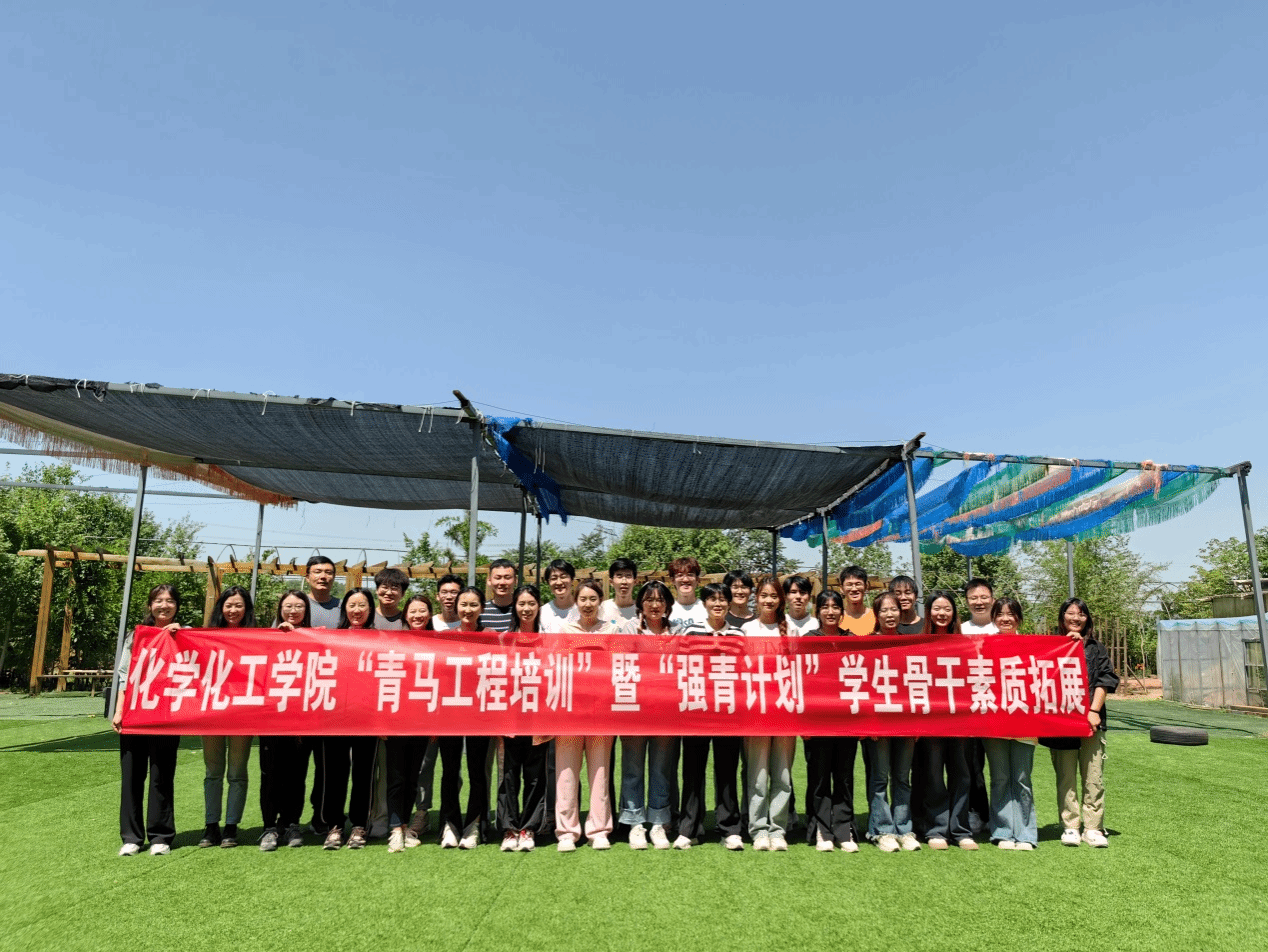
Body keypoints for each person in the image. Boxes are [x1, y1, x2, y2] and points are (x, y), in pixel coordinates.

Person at [113, 584, 184, 856]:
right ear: (150, 605)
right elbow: (124, 675)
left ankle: (160, 836)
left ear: (177, 606)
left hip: (167, 716)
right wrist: (119, 710)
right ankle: (131, 837)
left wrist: (179, 636)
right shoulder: (137, 636)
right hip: (135, 713)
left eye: (169, 601)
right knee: (131, 776)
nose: (164, 605)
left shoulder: (184, 635)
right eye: (158, 600)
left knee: (161, 775)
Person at [674, 582, 745, 850]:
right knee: (693, 772)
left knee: (727, 771)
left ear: (729, 603)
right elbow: (681, 669)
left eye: (722, 599)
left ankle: (730, 829)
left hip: (728, 713)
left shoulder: (738, 634)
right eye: (713, 600)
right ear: (704, 604)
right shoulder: (690, 632)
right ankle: (689, 829)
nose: (718, 604)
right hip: (696, 712)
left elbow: (744, 672)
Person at [1044, 598, 1119, 848]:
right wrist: (1066, 646)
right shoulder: (1050, 646)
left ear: (1087, 619)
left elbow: (1106, 679)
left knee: (1093, 777)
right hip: (1061, 722)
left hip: (1091, 721)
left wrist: (1094, 710)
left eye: (1081, 614)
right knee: (1066, 777)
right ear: (1061, 617)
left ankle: (1093, 828)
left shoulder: (1096, 648)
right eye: (1070, 613)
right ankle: (1070, 826)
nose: (1076, 618)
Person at [554, 579, 620, 852]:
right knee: (566, 773)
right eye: (583, 599)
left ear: (600, 601)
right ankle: (567, 832)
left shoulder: (612, 630)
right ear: (576, 602)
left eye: (593, 599)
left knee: (600, 773)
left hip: (601, 713)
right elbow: (556, 668)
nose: (588, 604)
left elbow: (618, 669)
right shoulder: (564, 630)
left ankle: (599, 830)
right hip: (570, 713)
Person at [616, 580, 680, 850]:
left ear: (668, 605)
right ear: (640, 604)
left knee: (661, 768)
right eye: (649, 600)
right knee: (632, 768)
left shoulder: (678, 632)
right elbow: (619, 667)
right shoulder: (628, 629)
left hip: (666, 712)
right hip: (634, 711)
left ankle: (658, 822)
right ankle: (634, 822)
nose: (655, 605)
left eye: (660, 600)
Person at [319, 589, 379, 850]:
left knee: (364, 773)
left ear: (370, 609)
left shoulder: (380, 640)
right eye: (352, 605)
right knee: (334, 773)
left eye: (362, 605)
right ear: (344, 609)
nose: (357, 610)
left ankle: (359, 825)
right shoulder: (331, 638)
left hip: (368, 718)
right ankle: (334, 825)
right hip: (335, 716)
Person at [917, 591, 976, 851]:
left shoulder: (965, 644)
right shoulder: (919, 644)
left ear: (954, 613)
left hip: (961, 719)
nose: (942, 613)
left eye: (947, 609)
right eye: (937, 608)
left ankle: (961, 830)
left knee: (962, 774)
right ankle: (937, 829)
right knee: (933, 775)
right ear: (929, 612)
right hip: (931, 720)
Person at [740, 577, 795, 851]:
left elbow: (798, 672)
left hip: (785, 712)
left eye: (774, 596)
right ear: (756, 598)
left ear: (780, 600)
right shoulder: (747, 630)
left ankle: (778, 829)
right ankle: (759, 829)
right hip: (756, 713)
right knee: (758, 776)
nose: (769, 600)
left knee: (783, 777)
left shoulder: (791, 631)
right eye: (764, 595)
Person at [438, 586, 495, 849]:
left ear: (482, 608)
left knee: (477, 771)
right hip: (450, 713)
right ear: (455, 606)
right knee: (450, 771)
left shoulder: (491, 637)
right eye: (464, 604)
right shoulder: (445, 637)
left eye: (473, 605)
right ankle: (450, 825)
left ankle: (474, 825)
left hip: (481, 714)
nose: (468, 610)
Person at [804, 590, 860, 853]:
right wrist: (804, 722)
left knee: (844, 777)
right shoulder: (808, 640)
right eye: (824, 607)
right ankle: (821, 829)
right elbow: (801, 682)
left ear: (842, 611)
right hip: (817, 721)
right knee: (819, 777)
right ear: (817, 611)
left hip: (847, 721)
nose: (830, 611)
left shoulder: (852, 640)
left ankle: (843, 828)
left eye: (835, 606)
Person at [200, 586, 255, 849]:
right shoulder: (206, 637)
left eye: (239, 605)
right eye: (229, 605)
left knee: (237, 772)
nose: (233, 610)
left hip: (243, 713)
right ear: (221, 608)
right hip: (212, 711)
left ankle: (231, 826)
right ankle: (211, 826)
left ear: (247, 609)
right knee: (213, 771)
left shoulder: (258, 638)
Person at [863, 590, 919, 852]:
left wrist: (916, 722)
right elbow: (862, 685)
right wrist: (869, 721)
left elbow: (917, 683)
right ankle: (881, 830)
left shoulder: (910, 643)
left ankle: (904, 829)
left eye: (894, 609)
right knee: (879, 778)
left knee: (902, 777)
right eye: (884, 610)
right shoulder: (867, 644)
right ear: (876, 614)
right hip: (878, 722)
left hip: (905, 720)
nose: (889, 614)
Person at [982, 597, 1038, 851]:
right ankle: (1003, 831)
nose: (1005, 619)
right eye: (1000, 614)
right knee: (1000, 778)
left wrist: (1072, 641)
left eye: (1011, 614)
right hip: (995, 722)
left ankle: (1026, 834)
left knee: (1022, 779)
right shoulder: (985, 645)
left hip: (1025, 721)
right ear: (993, 618)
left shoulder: (1033, 646)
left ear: (1019, 618)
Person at [496, 585, 549, 852]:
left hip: (539, 719)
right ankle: (509, 828)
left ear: (539, 606)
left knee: (535, 777)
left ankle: (528, 828)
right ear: (514, 607)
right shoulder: (504, 640)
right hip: (510, 718)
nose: (526, 609)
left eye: (531, 604)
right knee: (508, 776)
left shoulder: (548, 640)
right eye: (521, 604)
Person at [259, 590, 311, 851]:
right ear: (280, 610)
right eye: (288, 606)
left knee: (296, 775)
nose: (293, 611)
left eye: (299, 606)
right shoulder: (267, 638)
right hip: (271, 719)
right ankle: (270, 827)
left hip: (303, 720)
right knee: (270, 774)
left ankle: (292, 823)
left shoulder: (315, 639)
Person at [386, 594, 435, 852]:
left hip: (423, 721)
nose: (417, 615)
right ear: (405, 615)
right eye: (413, 611)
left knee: (413, 777)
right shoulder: (395, 642)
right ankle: (396, 828)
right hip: (396, 720)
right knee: (397, 777)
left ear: (430, 614)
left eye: (422, 611)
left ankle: (405, 826)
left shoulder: (438, 644)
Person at [959, 578, 996, 837]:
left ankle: (1003, 817)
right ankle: (977, 813)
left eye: (984, 597)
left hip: (1000, 707)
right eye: (974, 598)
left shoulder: (1003, 628)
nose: (979, 602)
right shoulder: (959, 630)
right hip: (969, 708)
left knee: (1003, 767)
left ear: (992, 599)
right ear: (967, 602)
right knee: (972, 765)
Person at [539, 559, 579, 632]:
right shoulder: (542, 612)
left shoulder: (583, 609)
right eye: (554, 578)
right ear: (548, 582)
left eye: (563, 577)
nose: (559, 582)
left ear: (572, 579)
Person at [668, 557, 707, 627]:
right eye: (680, 575)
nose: (685, 579)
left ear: (697, 579)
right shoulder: (666, 610)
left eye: (690, 575)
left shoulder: (707, 609)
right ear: (672, 580)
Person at [304, 555, 341, 628]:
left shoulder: (344, 607)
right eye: (317, 572)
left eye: (328, 572)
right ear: (307, 577)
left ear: (334, 577)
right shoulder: (296, 605)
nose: (323, 576)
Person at [480, 559, 518, 632]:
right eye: (498, 578)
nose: (502, 582)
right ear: (489, 580)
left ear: (515, 580)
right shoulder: (480, 611)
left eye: (507, 578)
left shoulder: (522, 611)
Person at [599, 558, 639, 625]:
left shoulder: (641, 610)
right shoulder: (603, 608)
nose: (624, 581)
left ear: (635, 581)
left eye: (628, 576)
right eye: (619, 576)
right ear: (611, 582)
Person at [838, 566, 875, 636]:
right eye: (849, 585)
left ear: (866, 587)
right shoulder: (837, 618)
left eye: (858, 584)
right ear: (841, 589)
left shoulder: (876, 616)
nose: (854, 589)